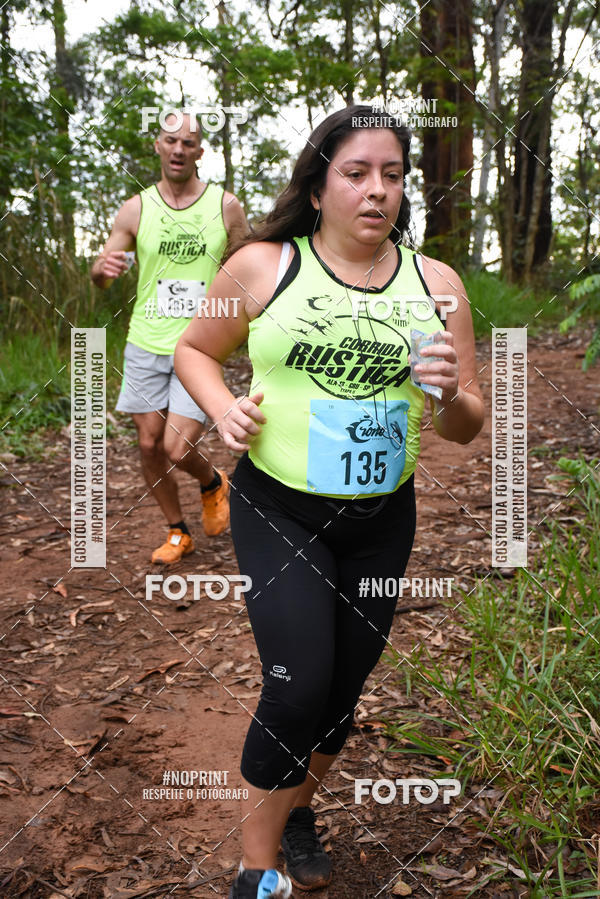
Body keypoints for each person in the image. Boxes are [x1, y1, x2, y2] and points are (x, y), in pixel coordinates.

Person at [175, 105, 485, 899]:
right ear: (318, 187)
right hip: (280, 505)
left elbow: (465, 425)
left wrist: (450, 393)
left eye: (392, 174)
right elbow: (195, 349)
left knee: (342, 688)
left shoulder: (439, 285)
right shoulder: (262, 265)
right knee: (299, 678)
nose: (376, 190)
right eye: (355, 173)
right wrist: (220, 406)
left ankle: (298, 811)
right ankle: (256, 866)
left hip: (383, 517)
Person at [91, 112, 247, 563]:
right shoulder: (135, 209)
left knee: (177, 446)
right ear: (156, 146)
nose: (179, 149)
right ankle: (178, 531)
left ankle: (213, 481)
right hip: (145, 341)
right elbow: (102, 273)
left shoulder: (225, 206)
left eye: (189, 142)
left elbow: (245, 265)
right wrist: (100, 271)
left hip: (198, 345)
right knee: (148, 444)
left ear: (201, 152)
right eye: (170, 140)